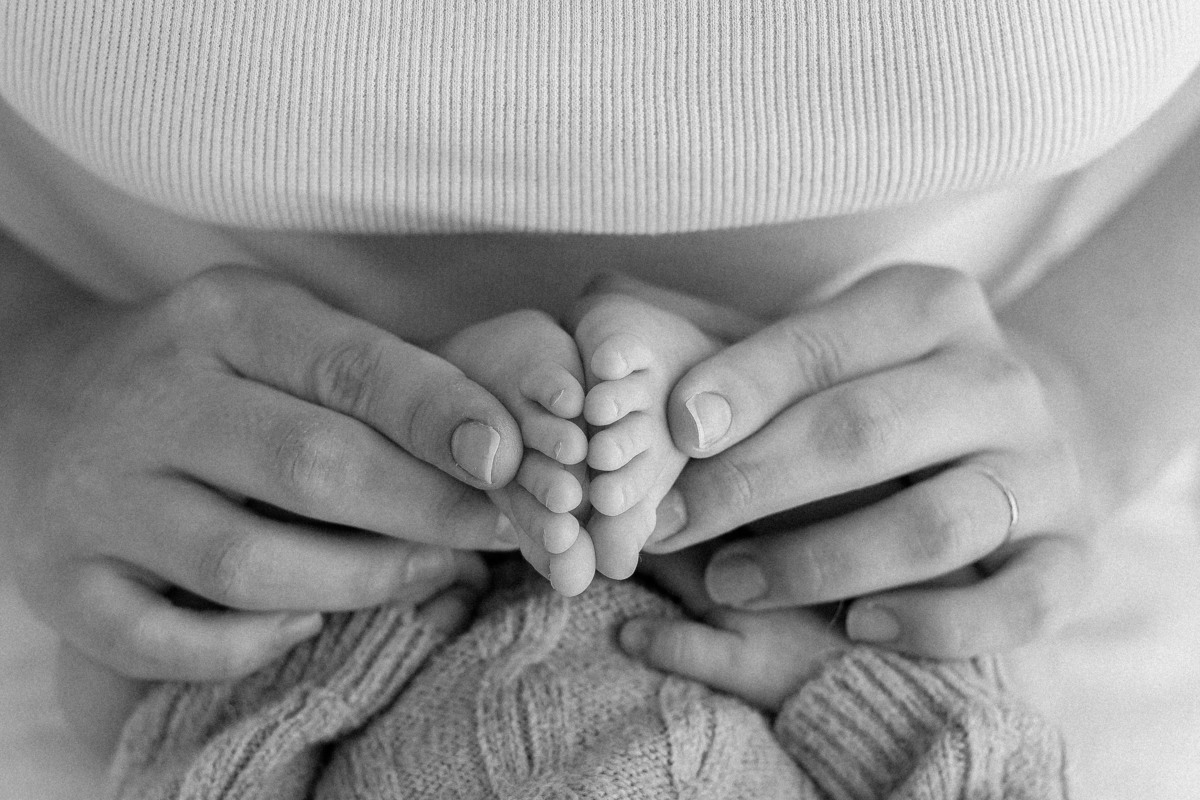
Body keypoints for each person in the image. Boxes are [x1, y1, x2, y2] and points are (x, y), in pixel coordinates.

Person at [2, 0, 1200, 779]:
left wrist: (29, 361)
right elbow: (984, 754)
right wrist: (1089, 392)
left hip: (199, 482)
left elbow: (170, 739)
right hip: (897, 513)